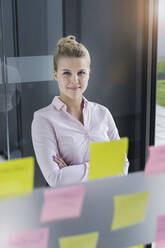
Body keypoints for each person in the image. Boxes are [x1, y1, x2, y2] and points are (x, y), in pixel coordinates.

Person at [31, 35, 129, 187]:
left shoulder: (102, 113)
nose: (74, 80)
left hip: (108, 200)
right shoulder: (43, 119)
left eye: (81, 72)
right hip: (71, 207)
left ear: (89, 73)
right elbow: (56, 179)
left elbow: (123, 167)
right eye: (66, 73)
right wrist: (106, 165)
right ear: (56, 75)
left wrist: (71, 171)